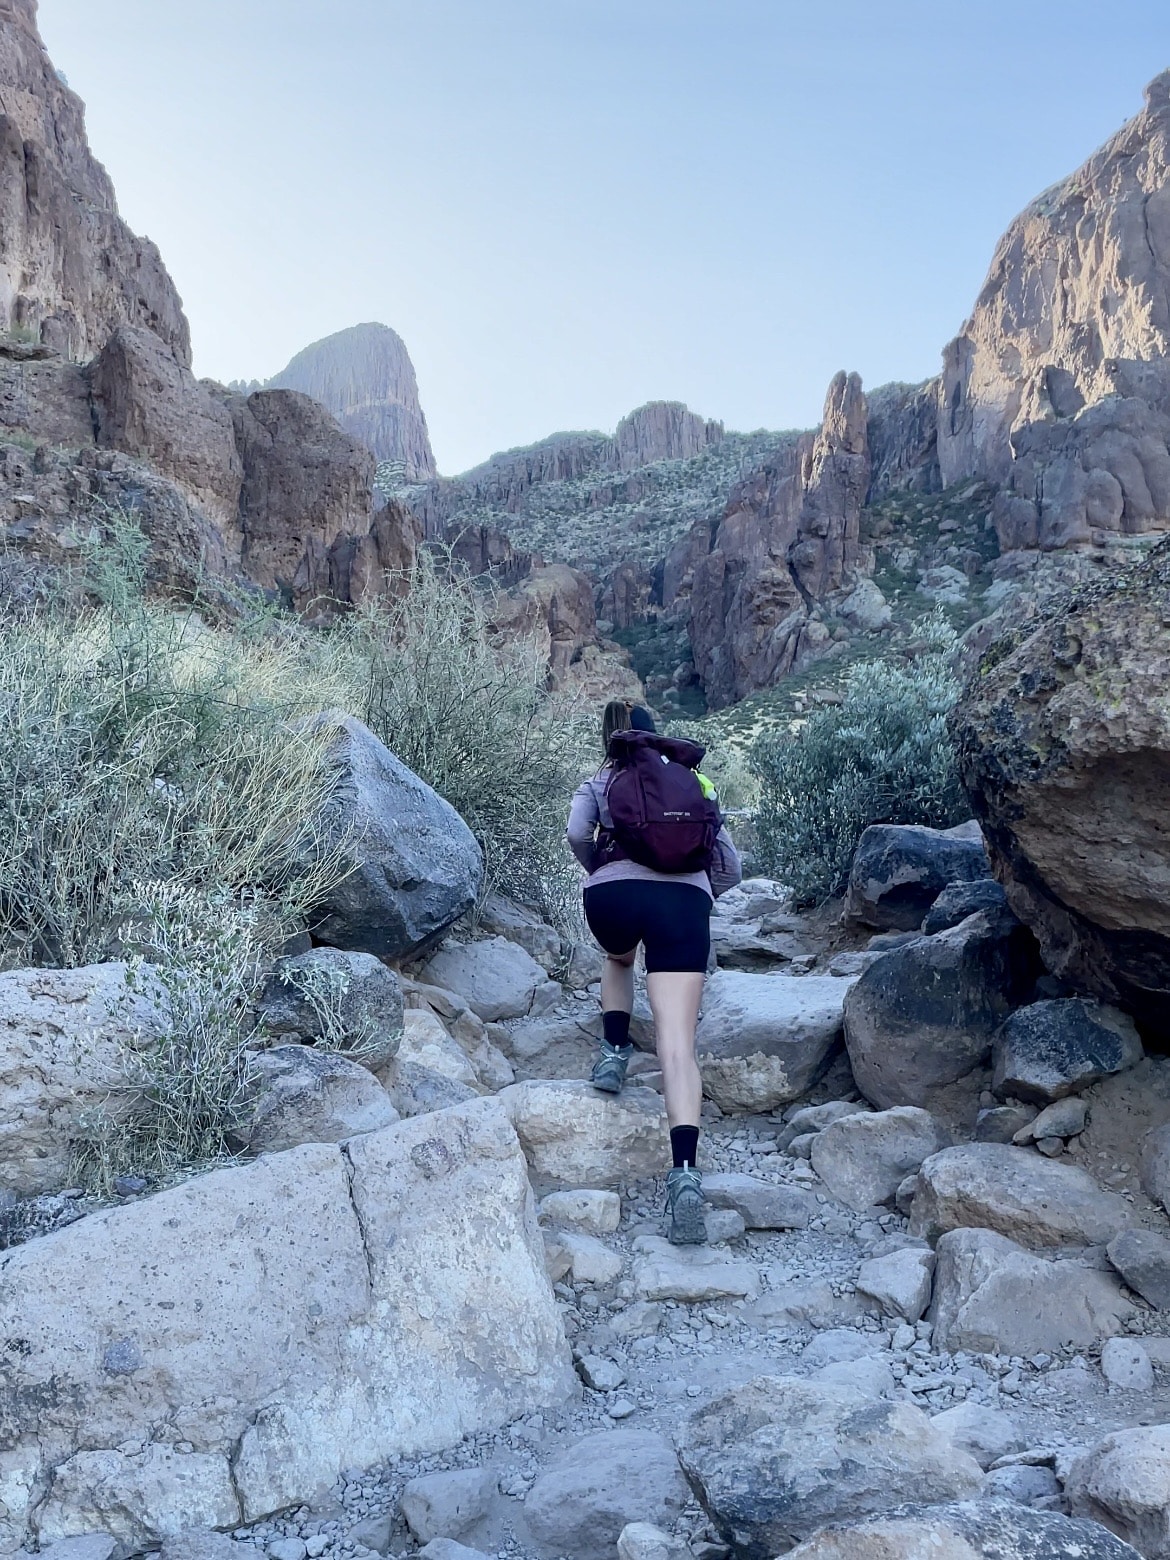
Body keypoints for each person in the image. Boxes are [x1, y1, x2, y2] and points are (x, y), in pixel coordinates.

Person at [566, 699, 742, 1244]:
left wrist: (605, 870)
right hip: (683, 906)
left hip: (613, 895)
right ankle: (685, 1174)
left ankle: (613, 1054)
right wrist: (697, 893)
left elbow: (577, 834)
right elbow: (730, 865)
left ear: (610, 739)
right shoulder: (697, 780)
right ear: (657, 736)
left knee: (618, 956)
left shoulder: (600, 777)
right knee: (676, 1045)